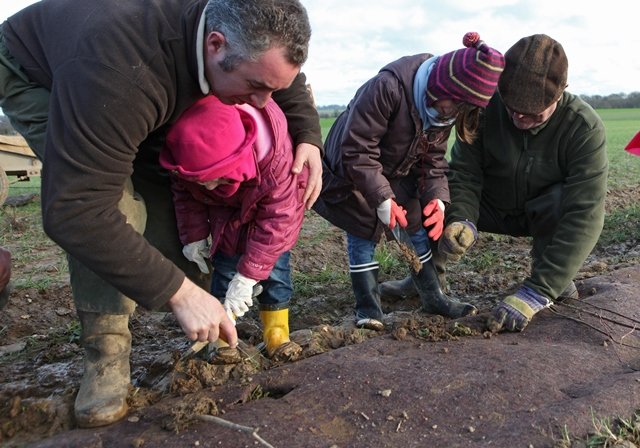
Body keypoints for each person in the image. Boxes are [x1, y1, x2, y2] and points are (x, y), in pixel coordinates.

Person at [0, 0, 323, 428]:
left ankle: (208, 320)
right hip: (39, 71)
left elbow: (280, 69)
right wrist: (181, 294)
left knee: (175, 222)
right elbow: (77, 210)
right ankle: (106, 355)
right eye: (255, 85)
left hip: (149, 77)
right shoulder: (116, 71)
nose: (264, 102)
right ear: (215, 44)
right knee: (115, 204)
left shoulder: (247, 26)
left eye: (273, 89)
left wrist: (307, 133)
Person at [313, 32, 505, 330]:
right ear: (441, 86)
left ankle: (432, 296)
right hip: (349, 172)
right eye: (451, 107)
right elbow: (358, 149)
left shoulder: (444, 110)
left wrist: (438, 200)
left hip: (394, 170)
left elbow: (432, 160)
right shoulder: (387, 88)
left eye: (459, 112)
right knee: (363, 228)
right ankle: (368, 310)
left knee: (416, 220)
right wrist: (382, 199)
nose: (451, 116)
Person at [431, 34, 608, 333]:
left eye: (532, 112)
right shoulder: (484, 107)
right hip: (491, 206)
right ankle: (428, 280)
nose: (520, 118)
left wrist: (538, 290)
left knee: (564, 200)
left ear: (560, 93)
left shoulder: (583, 127)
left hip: (541, 211)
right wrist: (462, 217)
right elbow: (464, 171)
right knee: (435, 192)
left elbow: (585, 214)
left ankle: (551, 280)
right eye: (513, 107)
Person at [160, 95, 306, 360]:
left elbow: (278, 220)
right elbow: (185, 198)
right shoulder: (189, 153)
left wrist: (251, 274)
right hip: (225, 225)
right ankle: (224, 340)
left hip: (272, 227)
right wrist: (193, 238)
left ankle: (276, 335)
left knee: (276, 277)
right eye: (202, 183)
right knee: (225, 275)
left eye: (216, 179)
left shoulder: (277, 163)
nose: (210, 187)